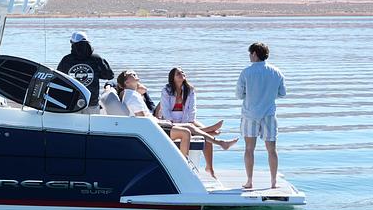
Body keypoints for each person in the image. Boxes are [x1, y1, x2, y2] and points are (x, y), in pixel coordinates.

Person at [117, 70, 236, 176]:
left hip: (155, 124)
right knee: (186, 132)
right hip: (153, 129)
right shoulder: (133, 97)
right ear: (126, 82)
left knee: (189, 126)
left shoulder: (132, 94)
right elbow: (143, 120)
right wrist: (160, 122)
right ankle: (182, 168)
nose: (133, 73)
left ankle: (221, 143)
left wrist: (161, 121)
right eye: (130, 74)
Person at [237, 41, 287, 189]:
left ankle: (249, 181)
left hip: (250, 114)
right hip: (269, 114)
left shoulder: (246, 72)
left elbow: (239, 94)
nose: (249, 57)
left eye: (250, 54)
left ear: (254, 54)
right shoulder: (276, 72)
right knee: (271, 150)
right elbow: (282, 93)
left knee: (249, 149)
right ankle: (273, 182)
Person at [156, 67, 223, 135]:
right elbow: (165, 109)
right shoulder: (166, 90)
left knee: (195, 127)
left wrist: (191, 120)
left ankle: (206, 130)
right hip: (170, 121)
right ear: (173, 78)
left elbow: (192, 107)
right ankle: (208, 130)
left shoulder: (190, 89)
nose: (181, 74)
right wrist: (170, 121)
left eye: (182, 72)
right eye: (178, 73)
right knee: (206, 132)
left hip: (185, 119)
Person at [57, 32, 113, 110]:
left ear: (72, 44)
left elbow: (58, 79)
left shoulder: (66, 60)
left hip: (72, 103)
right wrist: (95, 73)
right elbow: (109, 75)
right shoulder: (96, 59)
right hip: (92, 103)